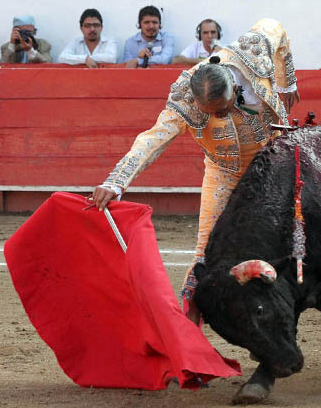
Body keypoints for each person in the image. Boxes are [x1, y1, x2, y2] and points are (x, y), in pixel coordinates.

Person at [92, 18, 300, 323]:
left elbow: (275, 27)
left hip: (274, 162)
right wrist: (116, 182)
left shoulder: (252, 51)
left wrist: (287, 82)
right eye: (211, 112)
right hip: (225, 170)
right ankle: (190, 329)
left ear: (233, 89)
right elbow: (151, 141)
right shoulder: (184, 101)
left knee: (294, 234)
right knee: (205, 251)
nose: (219, 116)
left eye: (222, 109)